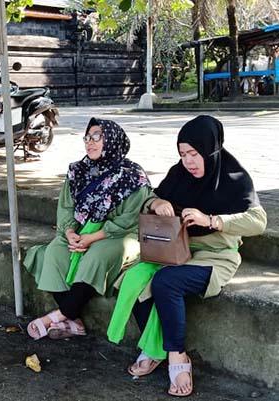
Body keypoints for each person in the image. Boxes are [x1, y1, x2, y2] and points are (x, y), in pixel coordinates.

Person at [107, 115, 266, 397]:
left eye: (194, 154)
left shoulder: (234, 178)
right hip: (177, 251)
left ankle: (177, 356)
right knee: (132, 278)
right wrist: (158, 202)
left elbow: (258, 222)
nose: (189, 161)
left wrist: (212, 220)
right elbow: (148, 199)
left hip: (216, 257)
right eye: (183, 154)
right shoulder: (178, 174)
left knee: (166, 282)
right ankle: (154, 348)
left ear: (211, 150)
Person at [24, 118, 151, 340]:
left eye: (96, 137)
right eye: (87, 137)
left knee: (97, 256)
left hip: (120, 235)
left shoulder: (132, 176)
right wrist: (70, 233)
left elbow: (130, 219)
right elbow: (66, 207)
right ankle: (75, 322)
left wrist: (93, 238)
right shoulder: (78, 171)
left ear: (112, 140)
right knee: (54, 252)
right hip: (82, 232)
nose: (89, 143)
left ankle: (59, 315)